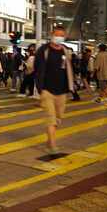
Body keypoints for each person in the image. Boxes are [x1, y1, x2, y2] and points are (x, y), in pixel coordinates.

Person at [35, 26, 74, 155]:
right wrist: (40, 89)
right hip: (47, 91)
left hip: (62, 91)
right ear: (52, 35)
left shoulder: (66, 51)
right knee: (50, 118)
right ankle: (52, 145)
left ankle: (49, 140)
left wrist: (70, 87)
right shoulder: (43, 50)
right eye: (57, 34)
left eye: (61, 35)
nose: (59, 37)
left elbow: (69, 68)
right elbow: (37, 69)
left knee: (58, 118)